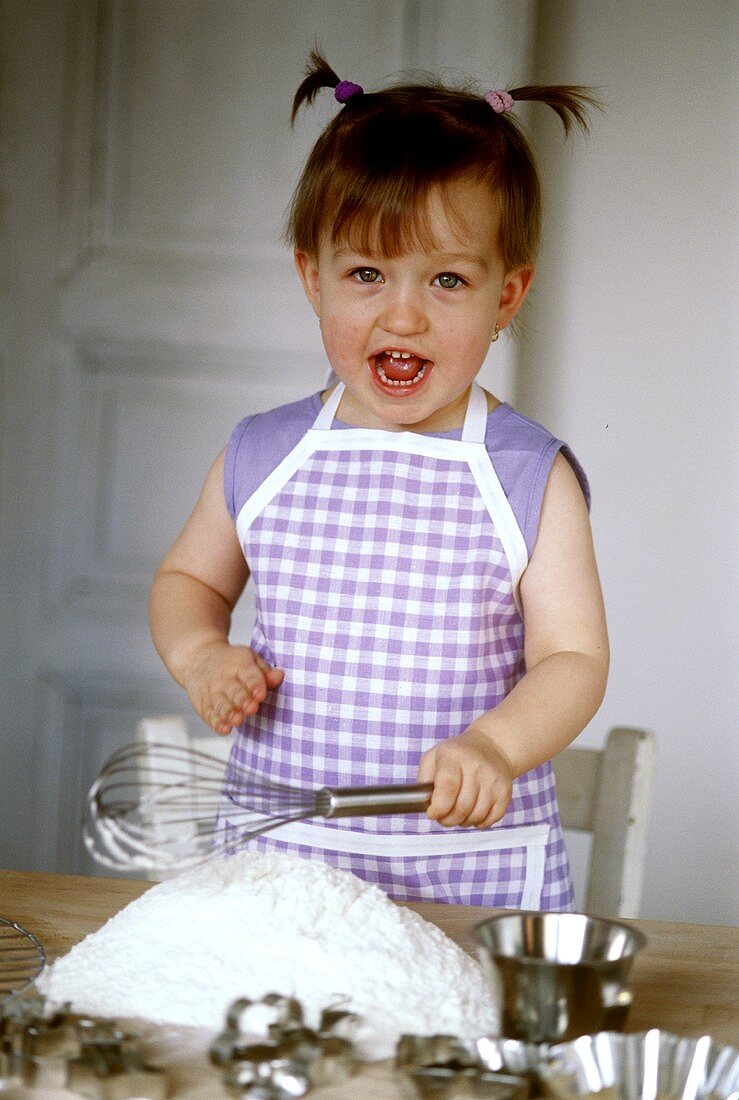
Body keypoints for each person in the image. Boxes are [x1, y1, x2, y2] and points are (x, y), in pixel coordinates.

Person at [149, 51, 609, 909]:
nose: (403, 314)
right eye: (367, 273)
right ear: (310, 278)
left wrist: (498, 746)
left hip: (464, 871)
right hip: (286, 855)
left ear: (505, 296)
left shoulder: (527, 476)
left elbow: (572, 656)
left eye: (446, 279)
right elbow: (186, 580)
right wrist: (201, 653)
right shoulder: (264, 452)